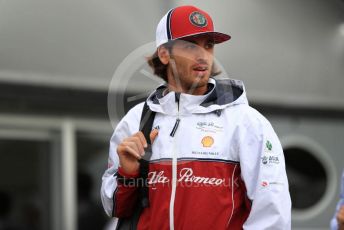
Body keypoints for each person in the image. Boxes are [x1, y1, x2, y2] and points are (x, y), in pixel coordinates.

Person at [101, 5, 291, 230]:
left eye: (208, 46)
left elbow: (272, 215)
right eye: (190, 46)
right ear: (164, 54)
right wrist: (128, 174)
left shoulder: (246, 122)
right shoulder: (136, 120)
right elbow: (113, 208)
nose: (203, 55)